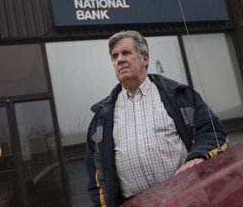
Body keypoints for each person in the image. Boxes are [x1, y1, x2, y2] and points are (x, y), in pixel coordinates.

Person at [85, 30, 228, 207]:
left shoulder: (180, 96)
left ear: (145, 58)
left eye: (126, 53)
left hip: (187, 198)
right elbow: (97, 177)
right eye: (115, 56)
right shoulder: (101, 117)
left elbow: (212, 132)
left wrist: (197, 157)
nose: (119, 59)